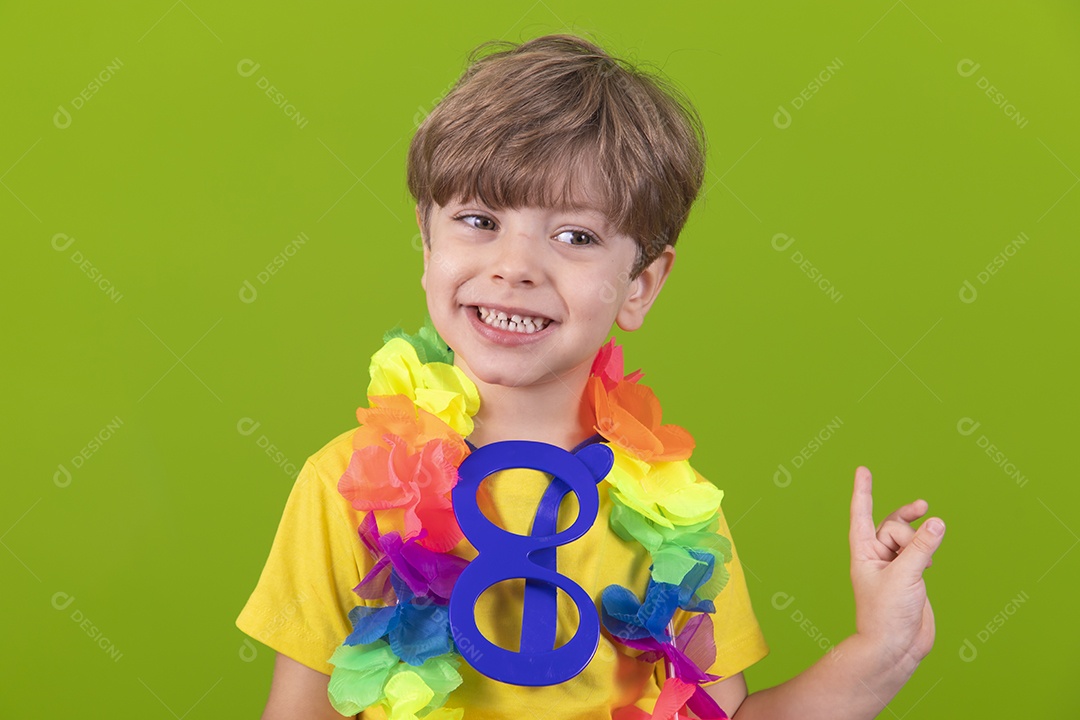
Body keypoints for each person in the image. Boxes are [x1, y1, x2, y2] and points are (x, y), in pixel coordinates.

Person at [236, 33, 946, 720]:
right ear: (425, 245)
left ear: (642, 284)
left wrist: (881, 649)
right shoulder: (348, 487)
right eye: (479, 219)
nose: (515, 266)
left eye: (575, 236)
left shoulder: (676, 515)